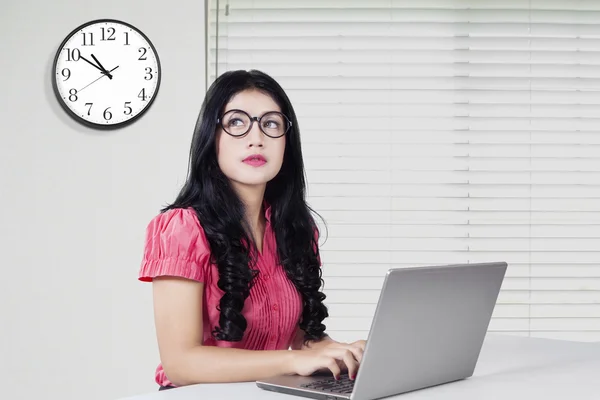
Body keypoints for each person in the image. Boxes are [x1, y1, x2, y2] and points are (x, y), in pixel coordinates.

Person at [138, 69, 366, 390]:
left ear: (287, 142)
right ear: (211, 137)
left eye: (271, 123)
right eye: (236, 122)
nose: (256, 138)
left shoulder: (296, 229)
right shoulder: (181, 228)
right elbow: (180, 364)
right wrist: (291, 361)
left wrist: (335, 350)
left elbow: (302, 340)